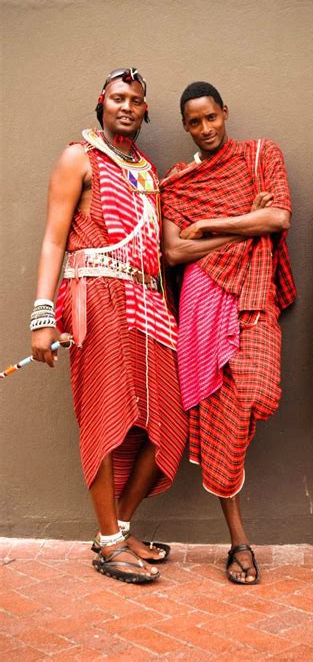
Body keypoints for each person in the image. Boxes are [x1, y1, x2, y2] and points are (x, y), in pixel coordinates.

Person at [31, 68, 188, 584]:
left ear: (146, 111)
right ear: (101, 103)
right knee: (104, 418)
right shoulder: (78, 156)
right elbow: (55, 239)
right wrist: (40, 316)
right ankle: (108, 541)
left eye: (137, 100)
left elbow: (166, 247)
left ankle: (120, 525)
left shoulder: (149, 170)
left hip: (147, 302)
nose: (127, 106)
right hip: (95, 300)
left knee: (168, 424)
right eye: (118, 97)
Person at [161, 81, 296, 584]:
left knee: (257, 389)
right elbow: (174, 252)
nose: (205, 129)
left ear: (224, 112)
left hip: (253, 294)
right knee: (222, 410)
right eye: (194, 122)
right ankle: (239, 541)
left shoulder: (262, 155)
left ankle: (237, 534)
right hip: (200, 299)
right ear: (185, 127)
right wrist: (249, 222)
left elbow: (279, 215)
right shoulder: (177, 180)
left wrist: (212, 225)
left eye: (211, 117)